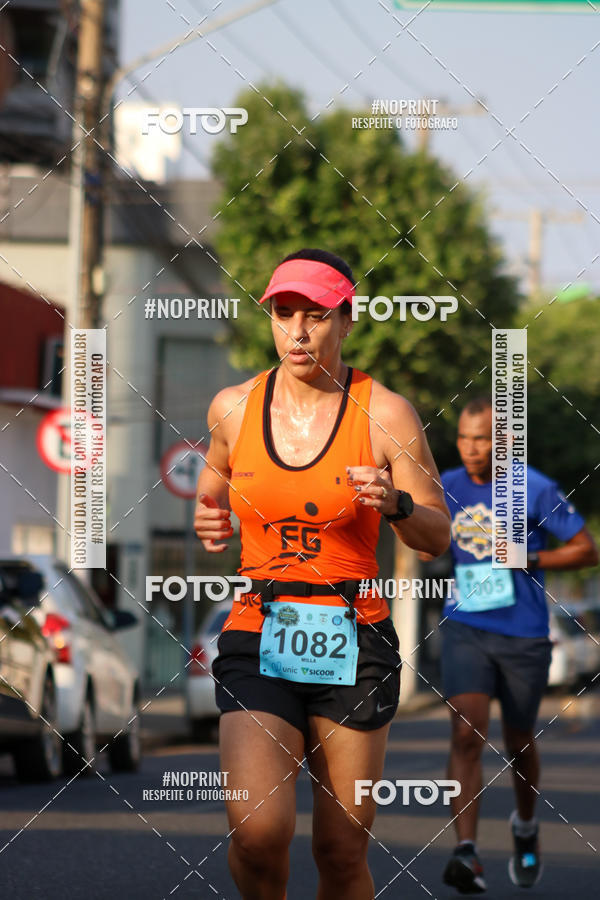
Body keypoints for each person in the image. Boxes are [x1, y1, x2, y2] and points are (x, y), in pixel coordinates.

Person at [194, 248, 451, 900]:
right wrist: (209, 519)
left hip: (354, 637)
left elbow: (437, 534)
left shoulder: (385, 414)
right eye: (284, 314)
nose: (298, 331)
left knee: (340, 851)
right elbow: (212, 484)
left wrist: (395, 505)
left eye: (315, 315)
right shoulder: (233, 407)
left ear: (347, 319)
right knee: (257, 834)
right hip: (259, 629)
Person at [433, 397, 598, 894]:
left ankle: (526, 826)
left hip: (523, 632)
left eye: (482, 438)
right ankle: (466, 851)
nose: (471, 448)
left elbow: (586, 548)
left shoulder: (533, 486)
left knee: (518, 742)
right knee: (466, 733)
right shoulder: (446, 484)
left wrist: (531, 557)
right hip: (464, 625)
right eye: (464, 437)